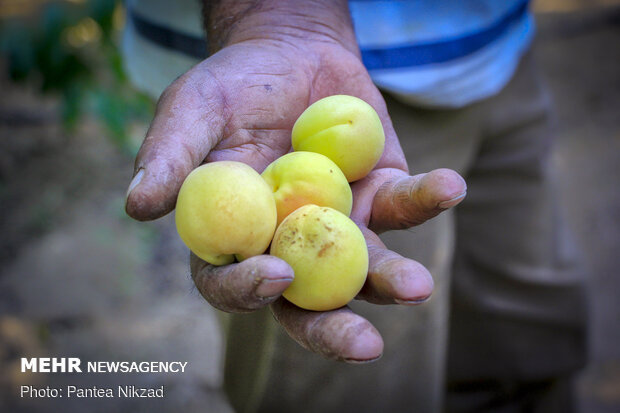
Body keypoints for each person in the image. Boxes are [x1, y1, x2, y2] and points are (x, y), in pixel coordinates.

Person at [123, 1, 589, 412]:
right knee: (354, 393)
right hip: (266, 91)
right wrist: (280, 19)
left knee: (524, 352)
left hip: (495, 49)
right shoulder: (272, 178)